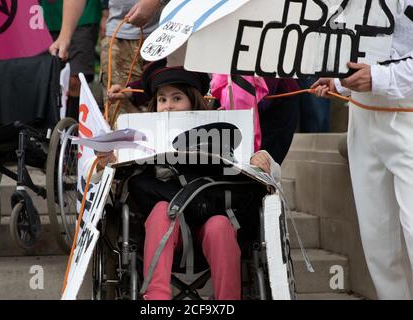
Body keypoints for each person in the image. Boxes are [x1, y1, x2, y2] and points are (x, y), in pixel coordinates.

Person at [87, 61, 281, 300]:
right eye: (162, 99)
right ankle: (157, 299)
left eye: (177, 98)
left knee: (219, 224)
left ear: (193, 101)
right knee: (161, 210)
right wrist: (106, 163)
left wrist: (263, 159)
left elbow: (271, 177)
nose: (168, 106)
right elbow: (103, 186)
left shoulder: (222, 127)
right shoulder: (139, 137)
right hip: (162, 231)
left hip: (212, 222)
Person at [312, 1, 413, 299]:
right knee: (378, 242)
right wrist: (339, 81)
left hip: (407, 113)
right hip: (362, 114)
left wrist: (379, 77)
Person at [41, 0, 102, 120]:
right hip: (45, 17)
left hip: (84, 16)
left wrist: (105, 12)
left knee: (75, 80)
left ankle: (72, 130)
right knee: (49, 81)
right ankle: (53, 129)